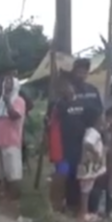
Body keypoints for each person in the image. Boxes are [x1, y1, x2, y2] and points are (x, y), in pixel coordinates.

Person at [57, 58, 104, 215]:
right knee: (67, 172)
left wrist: (95, 135)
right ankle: (69, 204)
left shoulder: (92, 91)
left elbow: (99, 115)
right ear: (74, 72)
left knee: (87, 174)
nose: (82, 74)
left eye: (85, 71)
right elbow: (56, 116)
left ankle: (88, 208)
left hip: (88, 141)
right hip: (68, 141)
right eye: (79, 70)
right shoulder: (66, 91)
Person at [0, 74, 26, 202]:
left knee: (13, 170)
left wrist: (8, 102)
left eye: (10, 83)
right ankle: (5, 193)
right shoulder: (0, 102)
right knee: (2, 171)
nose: (7, 86)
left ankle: (14, 196)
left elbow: (14, 115)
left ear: (15, 86)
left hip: (11, 141)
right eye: (5, 83)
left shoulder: (19, 101)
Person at [45, 80, 73, 210]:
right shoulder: (62, 105)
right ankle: (55, 202)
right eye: (68, 87)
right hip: (59, 143)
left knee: (61, 172)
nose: (70, 90)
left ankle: (57, 201)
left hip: (61, 142)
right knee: (62, 173)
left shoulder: (57, 103)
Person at [76, 108, 106, 222]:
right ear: (97, 119)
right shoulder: (93, 133)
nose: (104, 119)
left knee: (86, 189)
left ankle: (84, 213)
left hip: (88, 167)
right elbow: (87, 143)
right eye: (102, 117)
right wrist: (96, 153)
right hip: (88, 167)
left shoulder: (90, 131)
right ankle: (83, 214)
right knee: (85, 190)